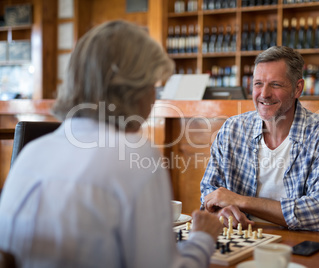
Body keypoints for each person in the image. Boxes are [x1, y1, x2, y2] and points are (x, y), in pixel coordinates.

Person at [0, 20, 222, 267]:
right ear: (135, 90)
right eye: (153, 87)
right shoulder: (134, 156)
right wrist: (202, 239)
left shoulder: (32, 152)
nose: (153, 99)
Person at [200, 46, 319, 231]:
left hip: (300, 244)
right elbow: (209, 193)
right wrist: (219, 212)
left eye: (276, 84)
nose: (264, 94)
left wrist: (240, 201)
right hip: (241, 239)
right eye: (258, 84)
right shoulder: (232, 129)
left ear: (298, 88)